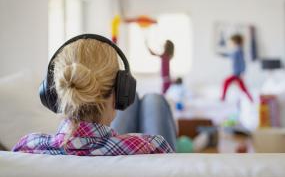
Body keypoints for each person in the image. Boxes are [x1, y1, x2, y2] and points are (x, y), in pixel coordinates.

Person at [12, 35, 176, 155]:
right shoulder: (154, 147)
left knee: (152, 100)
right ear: (121, 93)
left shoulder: (27, 147)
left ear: (52, 94)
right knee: (154, 100)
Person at [220, 34, 253, 102]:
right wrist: (223, 54)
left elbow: (242, 62)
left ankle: (223, 98)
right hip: (236, 72)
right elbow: (231, 55)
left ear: (235, 41)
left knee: (226, 82)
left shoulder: (239, 50)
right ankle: (251, 99)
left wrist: (242, 72)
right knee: (242, 88)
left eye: (231, 42)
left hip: (237, 73)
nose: (230, 43)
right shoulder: (236, 50)